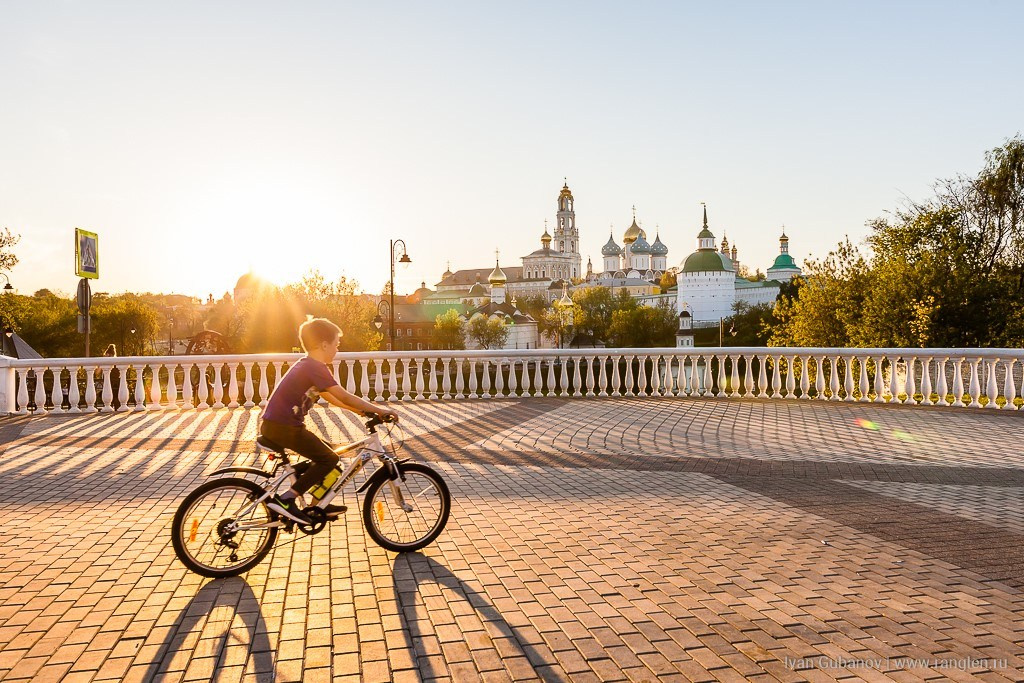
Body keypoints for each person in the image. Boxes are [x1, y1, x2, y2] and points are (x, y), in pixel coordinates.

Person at [261, 317, 397, 525]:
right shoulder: (315, 367)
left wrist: (362, 412)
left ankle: (316, 504)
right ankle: (287, 500)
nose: (337, 350)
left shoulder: (309, 365)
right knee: (329, 459)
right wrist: (379, 409)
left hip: (281, 426)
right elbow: (343, 395)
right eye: (336, 345)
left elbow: (333, 399)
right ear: (324, 345)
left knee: (333, 455)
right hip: (284, 428)